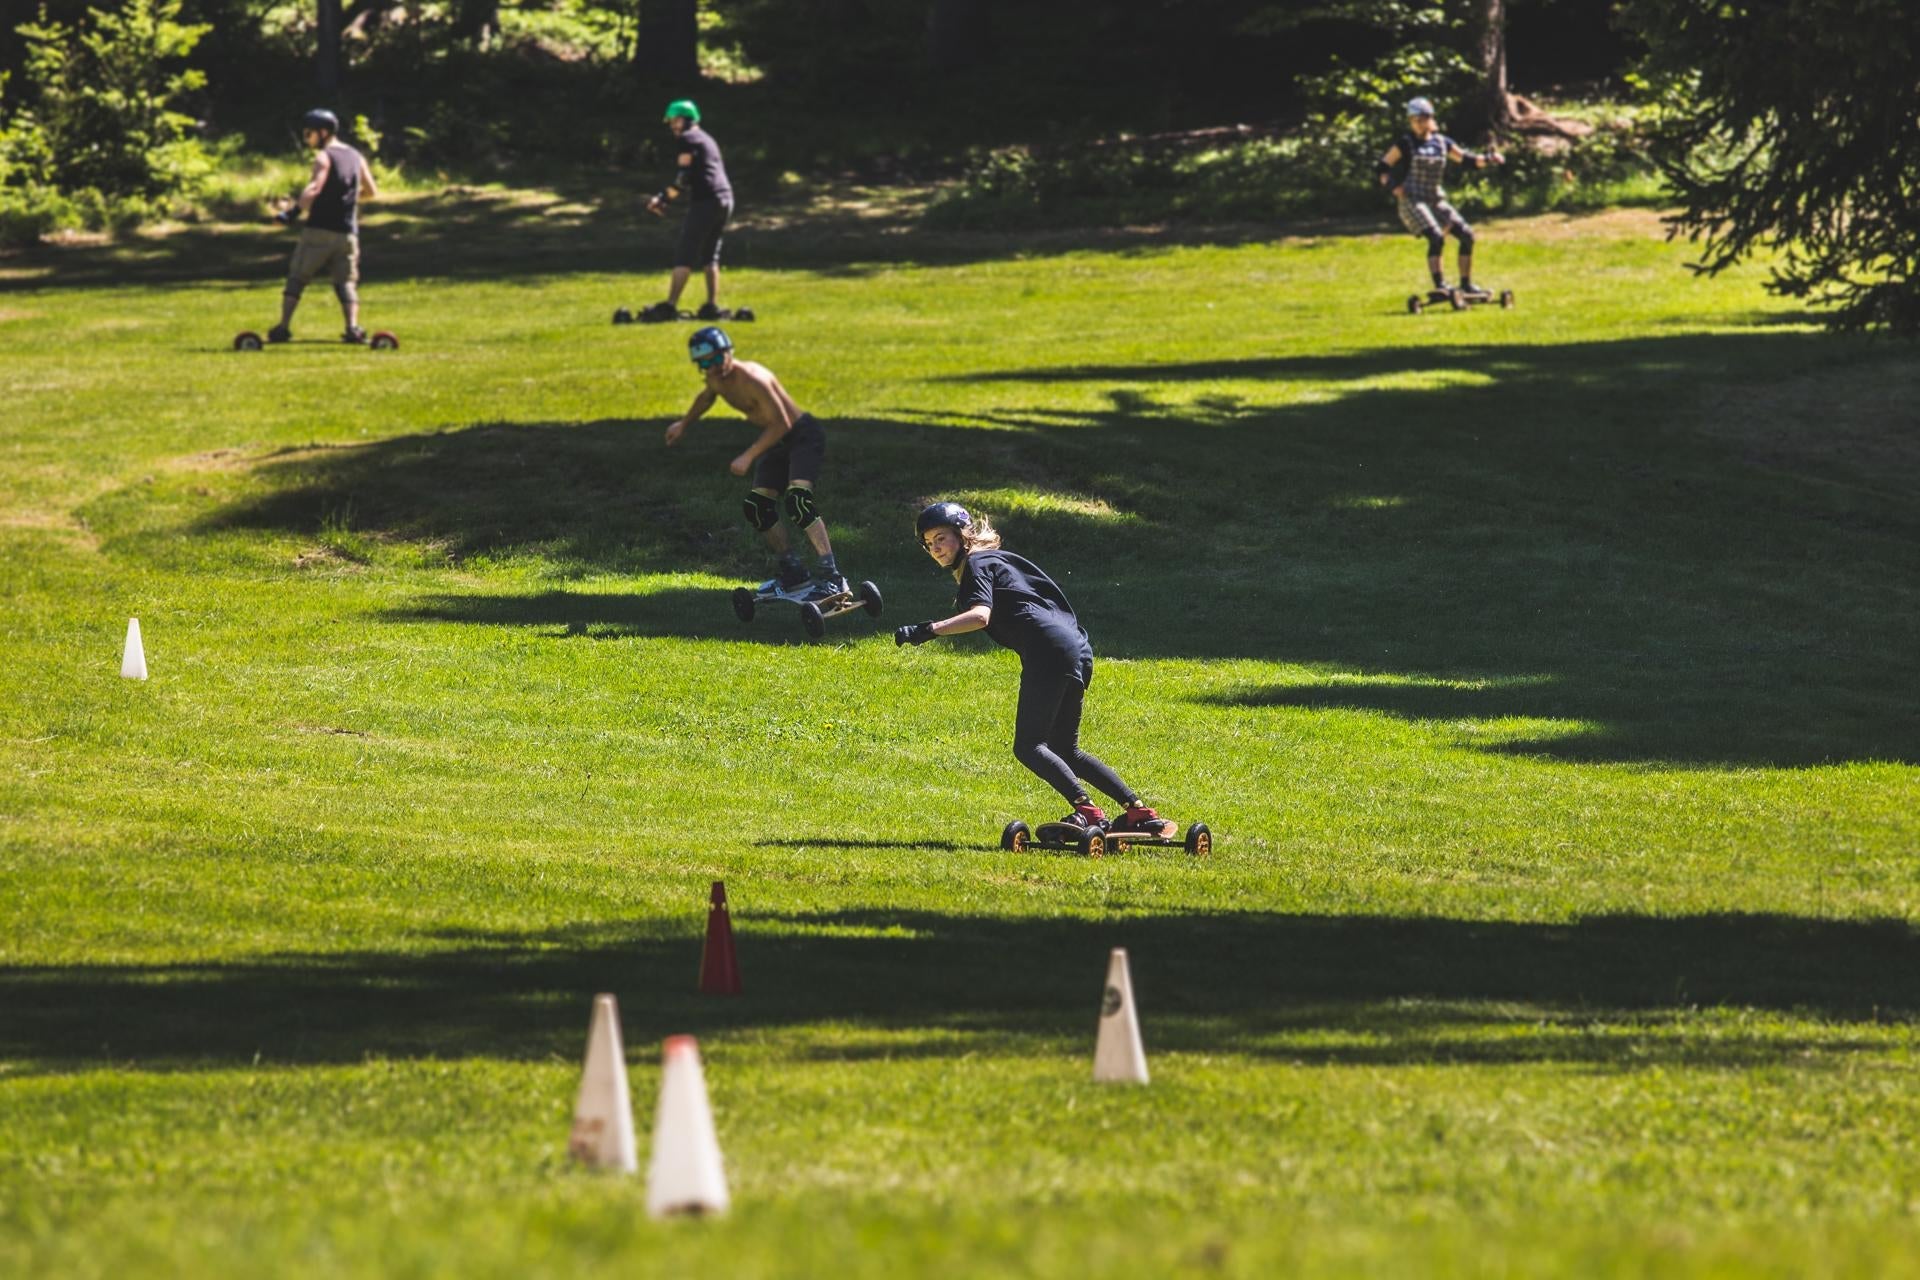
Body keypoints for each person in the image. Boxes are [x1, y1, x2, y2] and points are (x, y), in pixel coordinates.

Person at [895, 501, 1176, 839]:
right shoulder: (1000, 560)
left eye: (941, 538)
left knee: (1028, 746)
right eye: (929, 543)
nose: (935, 548)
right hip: (1075, 648)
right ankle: (1139, 812)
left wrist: (927, 630)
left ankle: (1088, 811)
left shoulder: (978, 564)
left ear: (962, 535)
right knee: (1065, 749)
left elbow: (980, 615)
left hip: (1047, 650)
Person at [663, 327, 846, 600]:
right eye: (702, 364)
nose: (710, 368)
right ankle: (793, 571)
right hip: (776, 441)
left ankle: (833, 577)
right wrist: (684, 424)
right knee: (756, 507)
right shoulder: (716, 377)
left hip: (801, 436)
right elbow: (706, 397)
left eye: (714, 360)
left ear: (728, 353)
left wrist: (748, 455)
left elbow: (782, 423)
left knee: (798, 500)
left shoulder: (752, 378)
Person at [1375, 97, 1504, 298]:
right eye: (1414, 120)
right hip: (1412, 199)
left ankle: (1466, 284)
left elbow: (1467, 159)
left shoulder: (1441, 142)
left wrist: (1489, 159)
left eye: (1422, 119)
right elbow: (1382, 168)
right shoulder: (1405, 144)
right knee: (1435, 236)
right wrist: (1393, 186)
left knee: (1467, 236)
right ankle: (1440, 285)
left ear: (1430, 119)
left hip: (1435, 199)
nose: (1418, 124)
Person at [269, 108, 379, 343]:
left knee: (297, 278)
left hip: (318, 231)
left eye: (308, 133)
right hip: (348, 234)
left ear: (323, 132)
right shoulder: (355, 155)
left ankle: (283, 327)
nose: (306, 138)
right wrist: (346, 198)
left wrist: (292, 213)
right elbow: (371, 192)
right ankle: (353, 328)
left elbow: (314, 188)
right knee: (346, 282)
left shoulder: (324, 156)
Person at [639, 100, 734, 323]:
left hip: (707, 200)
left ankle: (670, 306)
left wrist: (663, 198)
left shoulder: (687, 139)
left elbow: (684, 176)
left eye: (676, 120)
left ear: (688, 119)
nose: (673, 126)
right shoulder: (707, 138)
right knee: (710, 254)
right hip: (726, 198)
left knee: (686, 251)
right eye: (671, 121)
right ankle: (711, 306)